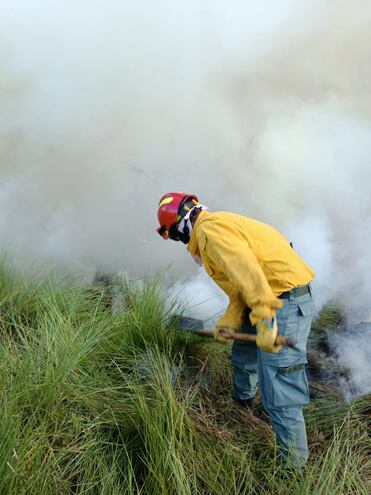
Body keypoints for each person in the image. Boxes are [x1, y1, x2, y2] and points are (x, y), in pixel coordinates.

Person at [156, 192, 315, 468]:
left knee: (279, 385)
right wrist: (230, 320)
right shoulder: (211, 229)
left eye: (173, 236)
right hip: (268, 295)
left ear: (180, 228)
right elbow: (240, 287)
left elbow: (251, 276)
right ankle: (243, 403)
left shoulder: (210, 231)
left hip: (283, 300)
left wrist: (265, 321)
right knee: (244, 350)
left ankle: (293, 468)